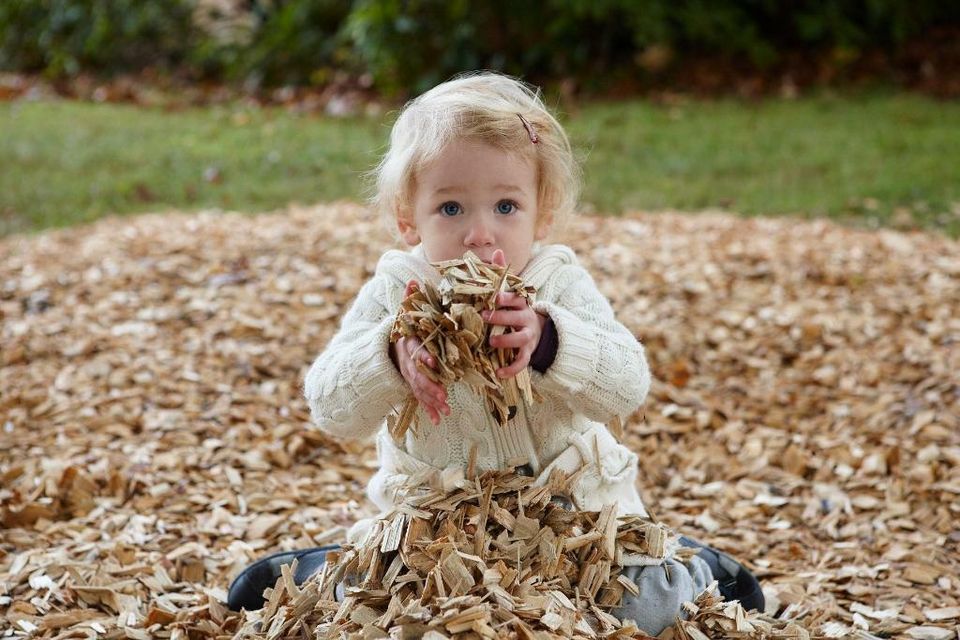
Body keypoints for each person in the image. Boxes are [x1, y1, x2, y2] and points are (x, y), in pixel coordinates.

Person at [226, 71, 764, 633]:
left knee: (647, 606)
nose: (480, 235)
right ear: (409, 217)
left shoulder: (556, 285)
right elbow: (330, 408)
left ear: (542, 212)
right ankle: (320, 568)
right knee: (387, 614)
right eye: (452, 209)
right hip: (439, 540)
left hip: (573, 528)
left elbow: (629, 385)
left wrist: (551, 342)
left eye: (506, 207)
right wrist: (389, 357)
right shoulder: (396, 295)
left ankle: (700, 572)